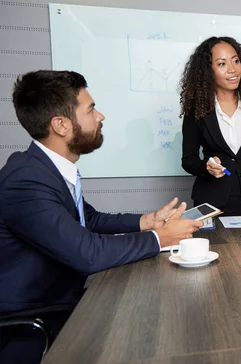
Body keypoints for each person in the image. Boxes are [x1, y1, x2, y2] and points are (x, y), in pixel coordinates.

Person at [0, 70, 202, 361]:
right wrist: (160, 238)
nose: (101, 116)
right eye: (91, 109)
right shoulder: (25, 181)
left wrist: (146, 221)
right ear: (61, 125)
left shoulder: (44, 168)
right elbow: (88, 253)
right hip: (34, 322)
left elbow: (87, 219)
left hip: (63, 301)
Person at [180, 36, 241, 216]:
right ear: (208, 71)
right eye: (222, 64)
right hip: (210, 201)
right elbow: (188, 161)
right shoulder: (196, 108)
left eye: (236, 61)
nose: (232, 69)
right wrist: (206, 167)